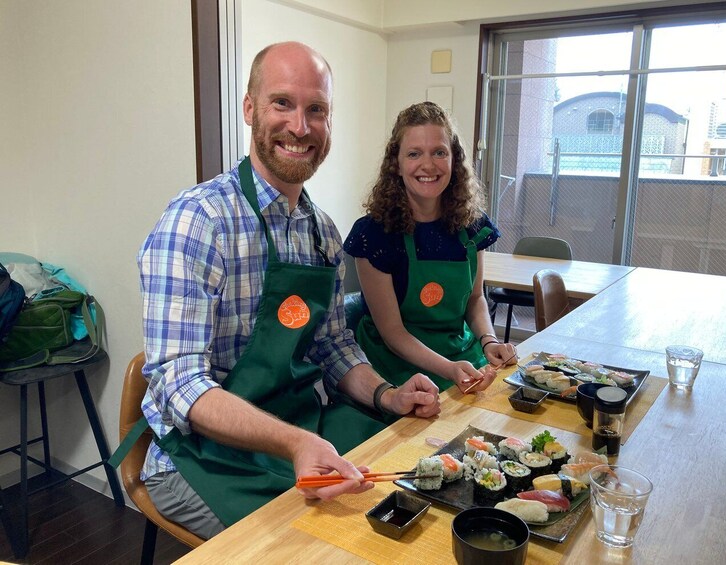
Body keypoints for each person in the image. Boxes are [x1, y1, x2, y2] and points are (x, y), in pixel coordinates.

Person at [132, 42, 440, 540]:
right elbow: (179, 385)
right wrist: (293, 442)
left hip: (301, 426)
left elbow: (332, 345)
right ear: (250, 108)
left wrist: (387, 394)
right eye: (283, 103)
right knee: (320, 545)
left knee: (410, 486)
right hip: (204, 455)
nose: (300, 126)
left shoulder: (321, 231)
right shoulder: (198, 222)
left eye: (316, 109)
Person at [344, 102, 516, 393]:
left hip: (462, 356)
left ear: (454, 160)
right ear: (396, 164)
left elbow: (475, 300)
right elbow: (393, 334)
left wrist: (489, 340)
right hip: (395, 367)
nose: (428, 165)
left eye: (439, 152)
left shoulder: (472, 225)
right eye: (414, 154)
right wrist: (449, 370)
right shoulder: (374, 235)